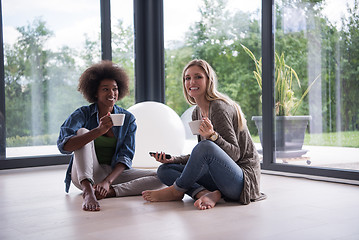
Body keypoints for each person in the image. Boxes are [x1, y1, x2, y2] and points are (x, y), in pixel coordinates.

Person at [142, 59, 266, 210]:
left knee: (205, 145)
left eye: (198, 77)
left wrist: (213, 135)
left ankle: (177, 191)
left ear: (209, 80)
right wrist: (174, 159)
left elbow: (234, 155)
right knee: (165, 170)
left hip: (242, 181)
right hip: (220, 178)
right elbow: (202, 156)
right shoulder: (197, 112)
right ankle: (206, 193)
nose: (192, 81)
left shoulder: (219, 107)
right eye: (187, 78)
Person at [57, 60, 164, 211]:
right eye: (105, 89)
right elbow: (64, 145)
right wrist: (98, 131)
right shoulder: (82, 114)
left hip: (111, 174)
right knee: (83, 133)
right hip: (84, 176)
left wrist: (107, 182)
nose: (111, 93)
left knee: (160, 176)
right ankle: (88, 192)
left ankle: (108, 192)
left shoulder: (128, 119)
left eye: (115, 89)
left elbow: (126, 155)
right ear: (95, 92)